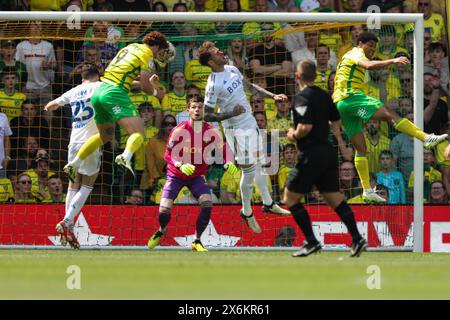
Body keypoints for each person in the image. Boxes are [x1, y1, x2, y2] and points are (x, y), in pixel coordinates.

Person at [332, 31, 447, 203]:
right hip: (351, 97)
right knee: (388, 114)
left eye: (374, 47)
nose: (372, 49)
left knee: (361, 149)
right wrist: (393, 60)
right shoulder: (356, 52)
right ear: (360, 43)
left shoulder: (349, 57)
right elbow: (368, 66)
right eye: (370, 45)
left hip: (342, 105)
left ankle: (367, 190)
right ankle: (425, 138)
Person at [198, 41, 290, 234]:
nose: (222, 51)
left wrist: (272, 96)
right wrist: (231, 113)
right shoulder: (213, 85)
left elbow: (249, 86)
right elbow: (207, 114)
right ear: (210, 62)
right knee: (249, 171)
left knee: (261, 163)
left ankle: (268, 203)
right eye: (217, 52)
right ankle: (247, 211)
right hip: (236, 129)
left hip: (249, 122)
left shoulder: (231, 68)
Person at [63, 31, 175, 182]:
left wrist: (149, 82)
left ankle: (74, 164)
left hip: (100, 92)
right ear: (157, 46)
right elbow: (143, 85)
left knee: (105, 136)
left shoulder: (129, 47)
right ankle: (125, 156)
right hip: (114, 93)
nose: (159, 54)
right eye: (161, 51)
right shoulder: (147, 53)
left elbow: (128, 80)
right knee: (139, 133)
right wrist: (156, 93)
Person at [285, 59, 367, 258]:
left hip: (311, 154)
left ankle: (312, 242)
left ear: (298, 77)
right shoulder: (324, 95)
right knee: (334, 198)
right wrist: (334, 136)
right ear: (314, 75)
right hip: (328, 153)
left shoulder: (302, 98)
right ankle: (357, 238)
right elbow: (336, 120)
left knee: (290, 198)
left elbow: (305, 127)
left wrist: (293, 135)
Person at [147, 96, 237, 252]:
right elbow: (167, 155)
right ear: (188, 110)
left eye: (200, 107)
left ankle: (197, 240)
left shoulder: (211, 131)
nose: (197, 110)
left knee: (207, 203)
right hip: (176, 175)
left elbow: (224, 149)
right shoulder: (179, 130)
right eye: (194, 107)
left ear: (204, 110)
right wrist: (179, 164)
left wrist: (228, 161)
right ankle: (162, 229)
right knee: (163, 211)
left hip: (196, 176)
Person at [44, 64, 102, 249]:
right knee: (87, 184)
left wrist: (51, 106)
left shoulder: (75, 90)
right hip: (91, 141)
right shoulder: (100, 86)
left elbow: (50, 106)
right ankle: (67, 221)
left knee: (72, 184)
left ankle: (67, 226)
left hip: (74, 142)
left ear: (82, 77)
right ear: (97, 76)